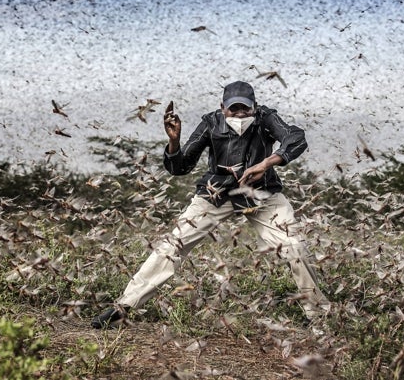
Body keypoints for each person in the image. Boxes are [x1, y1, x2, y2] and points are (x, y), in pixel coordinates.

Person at [91, 80, 330, 329]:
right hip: (216, 193)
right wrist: (174, 142)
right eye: (233, 109)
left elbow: (296, 137)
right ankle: (124, 307)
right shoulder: (210, 122)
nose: (239, 114)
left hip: (262, 192)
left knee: (294, 245)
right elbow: (180, 167)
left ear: (254, 107)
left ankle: (319, 317)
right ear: (222, 108)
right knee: (172, 246)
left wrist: (266, 164)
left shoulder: (266, 118)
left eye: (245, 109)